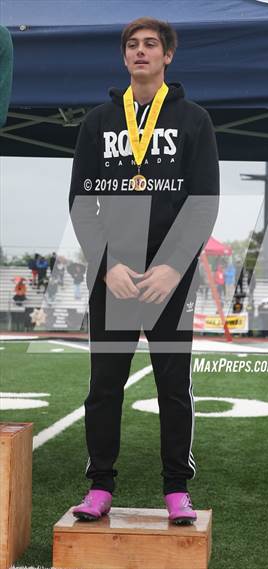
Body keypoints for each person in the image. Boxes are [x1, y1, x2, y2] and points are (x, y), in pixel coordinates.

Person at [69, 17, 219, 525]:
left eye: (150, 45)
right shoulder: (98, 121)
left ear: (167, 55)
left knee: (172, 386)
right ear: (124, 56)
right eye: (132, 45)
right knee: (104, 385)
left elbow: (203, 204)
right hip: (113, 277)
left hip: (168, 281)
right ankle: (100, 485)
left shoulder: (194, 119)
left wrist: (173, 268)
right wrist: (107, 266)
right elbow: (80, 204)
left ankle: (176, 489)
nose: (140, 52)